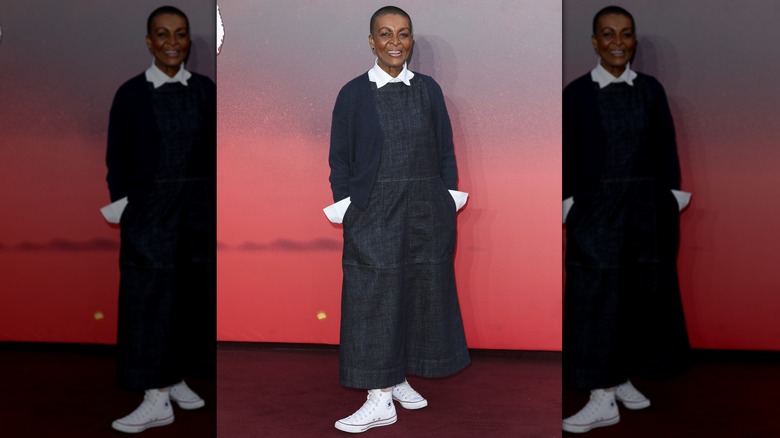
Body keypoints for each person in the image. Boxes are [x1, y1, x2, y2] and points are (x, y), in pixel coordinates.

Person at [327, 5, 470, 434]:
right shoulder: (353, 94)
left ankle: (398, 376)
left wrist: (447, 200)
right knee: (373, 298)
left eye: (403, 33)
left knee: (418, 293)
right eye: (385, 33)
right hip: (375, 211)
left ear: (411, 40)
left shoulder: (429, 90)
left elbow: (445, 150)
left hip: (426, 208)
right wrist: (350, 206)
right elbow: (340, 160)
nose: (394, 41)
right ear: (371, 41)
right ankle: (379, 398)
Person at [561, 5, 691, 434]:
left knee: (637, 300)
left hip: (644, 214)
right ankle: (601, 397)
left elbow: (666, 148)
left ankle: (620, 379)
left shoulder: (650, 90)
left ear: (633, 40)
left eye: (626, 34)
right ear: (594, 41)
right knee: (595, 300)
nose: (618, 42)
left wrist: (670, 198)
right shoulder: (576, 95)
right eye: (608, 34)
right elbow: (567, 155)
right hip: (596, 213)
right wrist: (569, 205)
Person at [106, 5, 216, 434]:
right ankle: (155, 397)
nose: (173, 42)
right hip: (150, 218)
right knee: (148, 303)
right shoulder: (131, 95)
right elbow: (117, 161)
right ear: (149, 41)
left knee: (187, 302)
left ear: (188, 41)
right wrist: (126, 207)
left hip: (196, 217)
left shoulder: (205, 91)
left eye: (181, 34)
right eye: (163, 34)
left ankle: (175, 378)